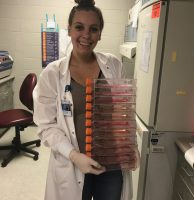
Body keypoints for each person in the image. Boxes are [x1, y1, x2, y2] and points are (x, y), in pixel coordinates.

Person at [33, 0, 139, 199]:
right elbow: (46, 126)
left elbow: (122, 114)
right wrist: (74, 155)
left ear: (100, 33)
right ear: (69, 30)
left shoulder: (114, 65)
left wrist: (129, 145)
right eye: (79, 27)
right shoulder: (52, 74)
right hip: (72, 164)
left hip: (111, 162)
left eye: (93, 29)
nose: (86, 35)